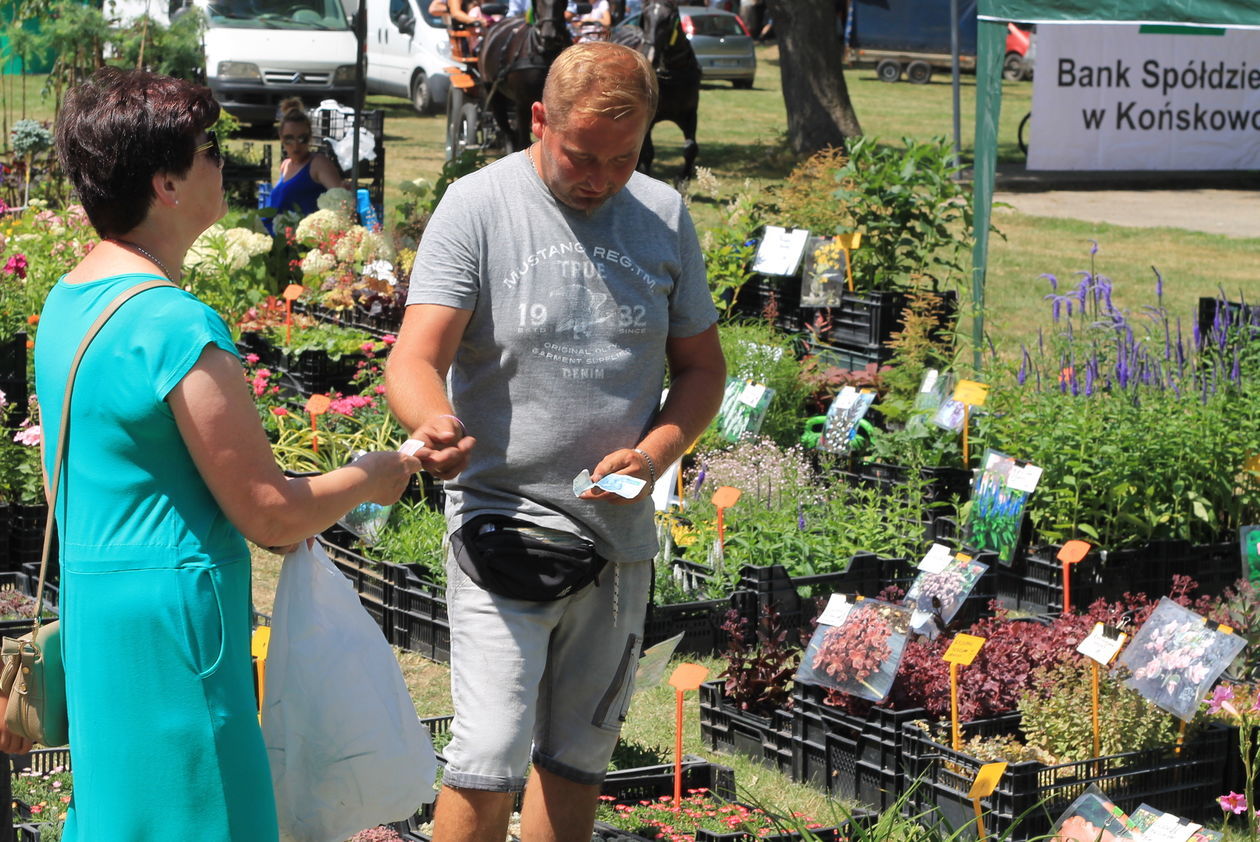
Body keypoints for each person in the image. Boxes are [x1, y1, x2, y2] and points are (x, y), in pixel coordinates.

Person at [21, 67, 422, 840]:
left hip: (100, 611)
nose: (223, 166)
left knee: (122, 817)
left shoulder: (67, 300)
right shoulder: (175, 325)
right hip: (179, 626)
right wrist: (373, 475)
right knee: (206, 816)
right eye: (208, 150)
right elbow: (268, 514)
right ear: (166, 183)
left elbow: (60, 482)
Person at [386, 40, 726, 842]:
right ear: (539, 120)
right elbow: (415, 356)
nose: (602, 178)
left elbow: (702, 371)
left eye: (624, 158)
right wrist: (430, 419)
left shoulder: (664, 217)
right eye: (581, 155)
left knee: (579, 759)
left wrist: (654, 455)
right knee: (488, 755)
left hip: (618, 541)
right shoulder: (478, 207)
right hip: (502, 522)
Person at [266, 97, 343, 224]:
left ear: (311, 136)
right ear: (281, 137)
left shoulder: (318, 164)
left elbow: (341, 201)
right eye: (289, 139)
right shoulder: (286, 165)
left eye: (302, 139)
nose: (296, 146)